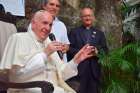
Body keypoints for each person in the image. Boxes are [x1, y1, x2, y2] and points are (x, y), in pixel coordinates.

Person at [0, 10, 96, 93]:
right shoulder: (19, 38)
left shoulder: (48, 43)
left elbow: (61, 75)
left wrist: (76, 61)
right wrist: (44, 54)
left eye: (50, 24)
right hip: (28, 90)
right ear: (33, 23)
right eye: (44, 23)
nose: (48, 28)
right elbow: (17, 77)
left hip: (54, 89)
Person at [67, 7, 108, 93]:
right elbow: (69, 50)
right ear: (81, 18)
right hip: (79, 72)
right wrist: (82, 52)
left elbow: (105, 50)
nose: (87, 18)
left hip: (94, 72)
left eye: (89, 15)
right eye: (85, 16)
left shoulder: (100, 33)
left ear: (93, 17)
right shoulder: (74, 32)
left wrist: (97, 52)